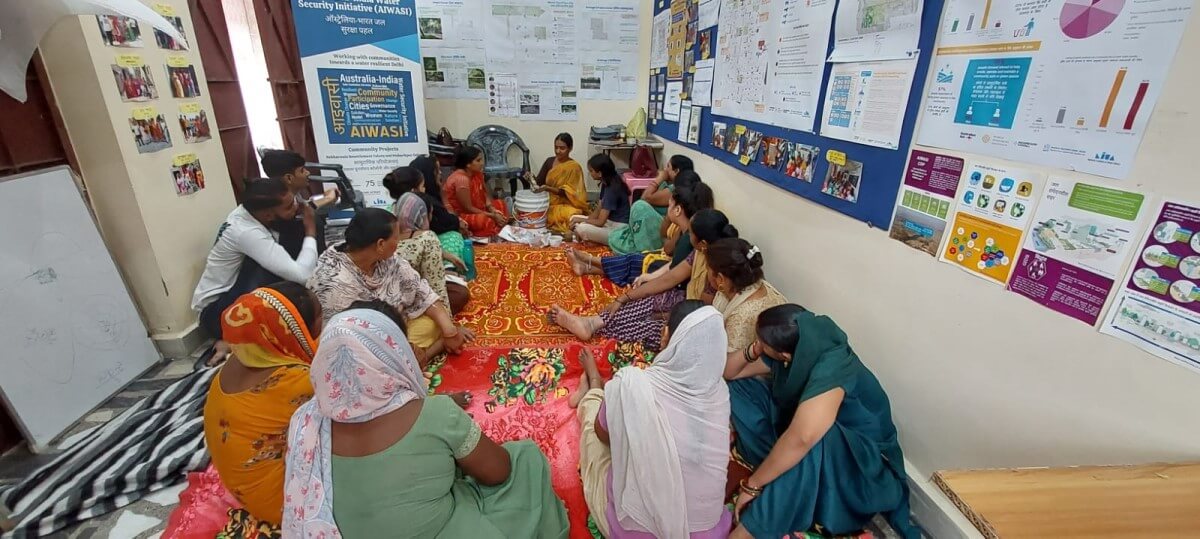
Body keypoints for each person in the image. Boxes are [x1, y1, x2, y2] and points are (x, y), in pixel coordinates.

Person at [282, 309, 570, 538]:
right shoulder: (435, 414)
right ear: (392, 353)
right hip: (439, 530)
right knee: (525, 457)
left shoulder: (306, 424)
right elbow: (498, 472)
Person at [723, 305, 917, 539]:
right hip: (809, 439)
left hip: (860, 466)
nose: (760, 345)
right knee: (740, 387)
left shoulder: (832, 367)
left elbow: (804, 437)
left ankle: (756, 526)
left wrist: (752, 485)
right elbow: (729, 372)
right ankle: (779, 468)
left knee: (814, 437)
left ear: (784, 354)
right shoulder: (798, 349)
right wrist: (754, 349)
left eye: (763, 343)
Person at [573, 300, 733, 539]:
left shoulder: (634, 384)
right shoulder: (718, 392)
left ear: (667, 335)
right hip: (709, 532)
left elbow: (603, 434)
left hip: (635, 529)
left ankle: (593, 386)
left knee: (591, 428)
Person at [202, 283, 321, 536]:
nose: (323, 321)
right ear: (295, 330)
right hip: (281, 503)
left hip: (241, 488)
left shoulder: (236, 361)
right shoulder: (297, 380)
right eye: (320, 317)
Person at [550, 207, 736, 352]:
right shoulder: (700, 252)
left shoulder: (718, 268)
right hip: (684, 299)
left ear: (702, 242)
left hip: (696, 319)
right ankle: (592, 322)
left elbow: (701, 314)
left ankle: (593, 325)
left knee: (652, 327)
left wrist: (668, 315)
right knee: (646, 300)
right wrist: (625, 298)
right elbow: (669, 278)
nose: (689, 236)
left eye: (691, 233)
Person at [306, 208, 473, 363]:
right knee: (388, 358)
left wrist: (450, 331)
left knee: (436, 322)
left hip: (398, 328)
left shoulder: (386, 258)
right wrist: (403, 345)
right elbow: (349, 341)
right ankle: (423, 355)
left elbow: (423, 293)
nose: (399, 242)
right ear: (380, 244)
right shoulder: (334, 282)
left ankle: (420, 353)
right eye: (397, 236)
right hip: (362, 350)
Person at [192, 178, 319, 345]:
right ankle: (234, 335)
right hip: (216, 314)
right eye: (289, 207)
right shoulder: (247, 233)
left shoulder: (249, 212)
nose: (296, 207)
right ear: (267, 214)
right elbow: (303, 276)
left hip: (230, 298)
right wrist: (311, 230)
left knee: (288, 239)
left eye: (294, 201)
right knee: (275, 268)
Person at [568, 178, 713, 285]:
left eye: (669, 205)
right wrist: (670, 221)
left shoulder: (690, 236)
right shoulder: (683, 229)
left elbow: (673, 267)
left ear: (678, 209)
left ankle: (589, 262)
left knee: (633, 261)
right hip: (667, 262)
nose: (667, 208)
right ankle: (587, 266)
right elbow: (667, 248)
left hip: (669, 274)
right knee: (634, 260)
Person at [706, 238, 788, 357]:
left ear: (720, 278)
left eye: (707, 267)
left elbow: (728, 365)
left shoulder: (741, 317)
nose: (705, 271)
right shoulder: (750, 283)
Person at [394, 192, 472, 313]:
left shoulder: (387, 234)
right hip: (416, 298)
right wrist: (448, 326)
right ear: (422, 215)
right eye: (429, 214)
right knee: (460, 293)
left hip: (391, 302)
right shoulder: (427, 238)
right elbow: (436, 286)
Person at [409, 156, 477, 281]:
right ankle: (447, 271)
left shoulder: (433, 192)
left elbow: (444, 214)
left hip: (431, 237)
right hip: (421, 241)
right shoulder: (418, 201)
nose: (440, 173)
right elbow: (438, 223)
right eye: (437, 170)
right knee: (454, 236)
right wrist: (457, 222)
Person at [607, 170, 702, 255]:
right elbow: (664, 238)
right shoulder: (680, 223)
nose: (665, 170)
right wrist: (668, 218)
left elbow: (668, 252)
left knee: (619, 261)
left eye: (668, 167)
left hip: (654, 248)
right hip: (649, 235)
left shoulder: (685, 231)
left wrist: (659, 179)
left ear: (678, 209)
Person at [261, 149, 338, 254]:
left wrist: (325, 197)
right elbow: (303, 210)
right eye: (302, 170)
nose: (308, 173)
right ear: (289, 178)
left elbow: (304, 205)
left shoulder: (290, 193)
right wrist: (327, 198)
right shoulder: (282, 208)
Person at [444, 146, 508, 238]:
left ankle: (494, 228)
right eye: (478, 160)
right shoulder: (461, 179)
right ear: (468, 164)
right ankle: (489, 231)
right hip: (462, 215)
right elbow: (468, 208)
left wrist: (492, 209)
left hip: (479, 209)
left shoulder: (476, 174)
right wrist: (492, 215)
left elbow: (484, 195)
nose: (482, 163)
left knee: (501, 204)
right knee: (485, 221)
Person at [532, 133, 589, 234]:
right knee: (535, 213)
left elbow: (569, 193)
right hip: (549, 203)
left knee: (574, 214)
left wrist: (547, 188)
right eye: (556, 147)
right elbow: (539, 182)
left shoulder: (574, 167)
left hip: (567, 204)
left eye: (562, 148)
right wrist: (530, 179)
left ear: (570, 148)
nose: (558, 151)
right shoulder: (549, 161)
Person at [570, 154, 630, 245]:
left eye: (591, 171)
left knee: (582, 228)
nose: (590, 173)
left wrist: (582, 222)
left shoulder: (612, 189)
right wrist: (584, 220)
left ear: (599, 173)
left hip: (618, 230)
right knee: (573, 218)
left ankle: (594, 240)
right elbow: (599, 208)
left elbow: (600, 222)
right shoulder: (606, 181)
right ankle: (592, 239)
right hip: (609, 222)